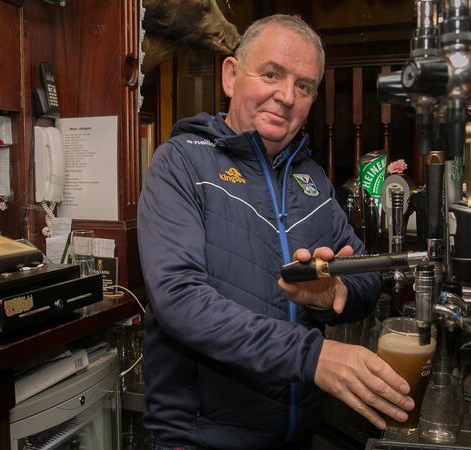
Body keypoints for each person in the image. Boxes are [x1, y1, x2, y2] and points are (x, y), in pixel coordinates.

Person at [138, 14, 414, 449]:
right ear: (231, 76)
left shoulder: (312, 179)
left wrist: (335, 292)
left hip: (296, 437)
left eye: (303, 87)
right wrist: (311, 355)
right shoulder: (181, 164)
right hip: (201, 440)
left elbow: (365, 274)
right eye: (271, 74)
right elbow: (179, 299)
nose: (286, 96)